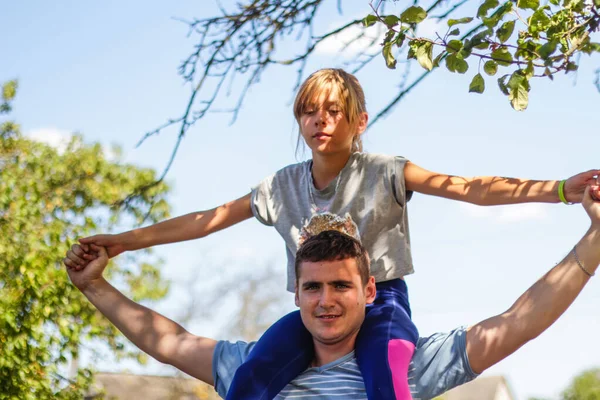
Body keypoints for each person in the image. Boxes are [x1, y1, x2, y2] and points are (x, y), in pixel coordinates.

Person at [64, 68, 599, 399]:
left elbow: (470, 189)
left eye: (333, 111)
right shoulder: (281, 187)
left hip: (383, 302)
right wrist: (119, 242)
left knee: (387, 377)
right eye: (308, 112)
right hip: (313, 311)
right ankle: (313, 300)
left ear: (359, 120)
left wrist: (557, 189)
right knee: (251, 377)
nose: (319, 121)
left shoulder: (386, 170)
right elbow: (203, 222)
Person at [64, 185, 600, 399]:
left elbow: (520, 320)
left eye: (341, 286)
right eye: (313, 287)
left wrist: (595, 238)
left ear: (370, 290)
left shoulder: (407, 365)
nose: (326, 300)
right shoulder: (257, 367)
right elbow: (167, 340)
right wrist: (95, 287)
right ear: (295, 293)